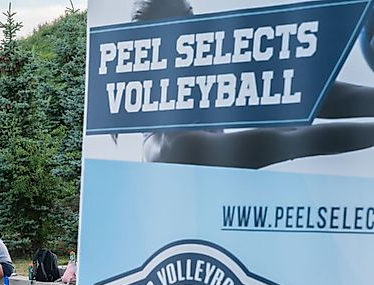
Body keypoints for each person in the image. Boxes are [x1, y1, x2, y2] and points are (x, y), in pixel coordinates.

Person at [133, 0, 374, 168]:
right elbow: (292, 138)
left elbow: (299, 94)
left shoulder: (205, 92)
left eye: (193, 18)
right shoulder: (170, 148)